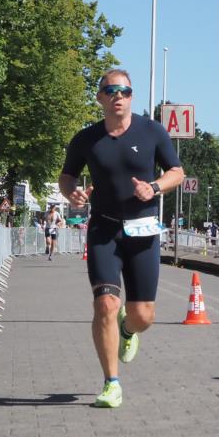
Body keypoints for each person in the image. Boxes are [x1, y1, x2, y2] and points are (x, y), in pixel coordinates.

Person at [59, 69, 184, 408]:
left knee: (143, 315)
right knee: (105, 305)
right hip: (104, 229)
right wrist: (73, 195)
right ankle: (111, 383)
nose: (118, 96)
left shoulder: (152, 131)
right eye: (110, 90)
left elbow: (177, 171)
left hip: (142, 230)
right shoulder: (86, 138)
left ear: (132, 96)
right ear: (99, 97)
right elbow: (67, 177)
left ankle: (128, 330)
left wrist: (154, 187)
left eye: (125, 91)